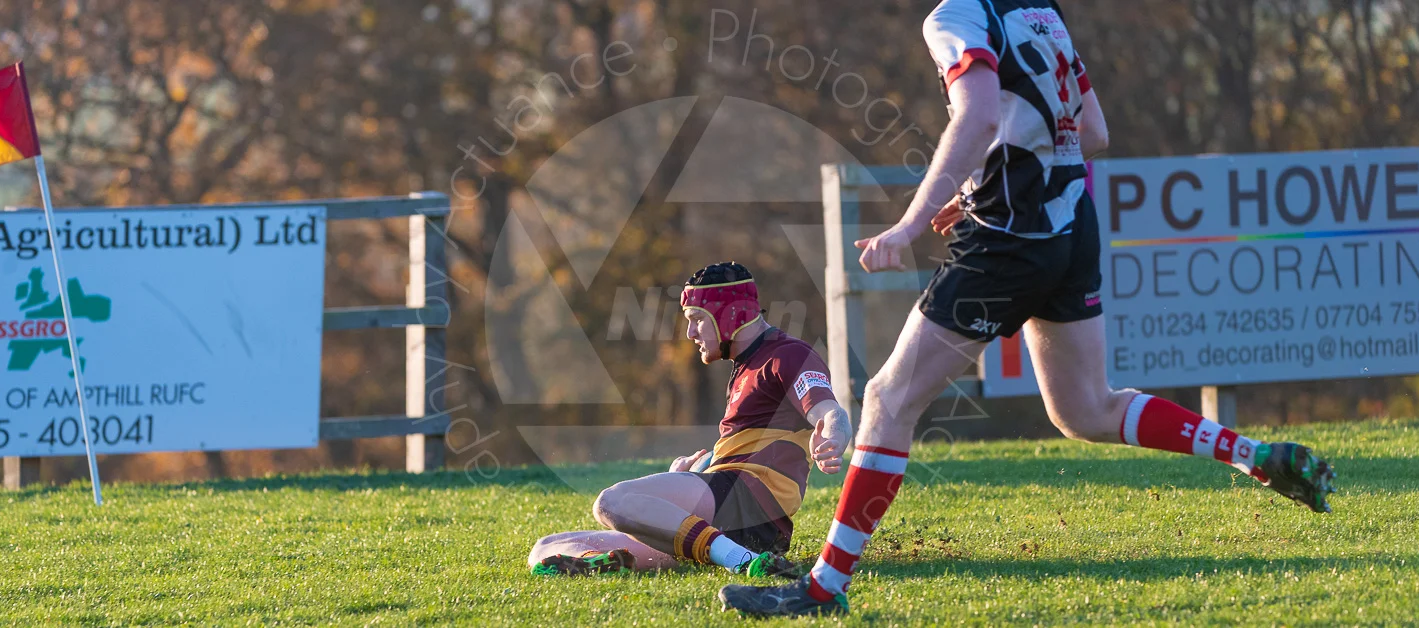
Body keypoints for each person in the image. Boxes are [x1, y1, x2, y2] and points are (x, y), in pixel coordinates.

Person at [719, 0, 1337, 616]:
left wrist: (908, 226)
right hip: (1072, 229)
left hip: (1006, 244)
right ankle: (1255, 457)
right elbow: (1092, 131)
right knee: (1085, 408)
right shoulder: (1041, 10)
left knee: (887, 399)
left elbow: (979, 114)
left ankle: (822, 589)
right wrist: (980, 188)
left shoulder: (955, 15)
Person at [528, 262, 854, 578]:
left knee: (611, 503)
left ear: (730, 315)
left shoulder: (787, 354)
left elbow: (830, 411)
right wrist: (687, 478)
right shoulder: (745, 364)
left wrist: (835, 435)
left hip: (746, 507)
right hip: (725, 512)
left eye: (697, 319)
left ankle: (739, 559)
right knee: (547, 547)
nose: (689, 332)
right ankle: (609, 564)